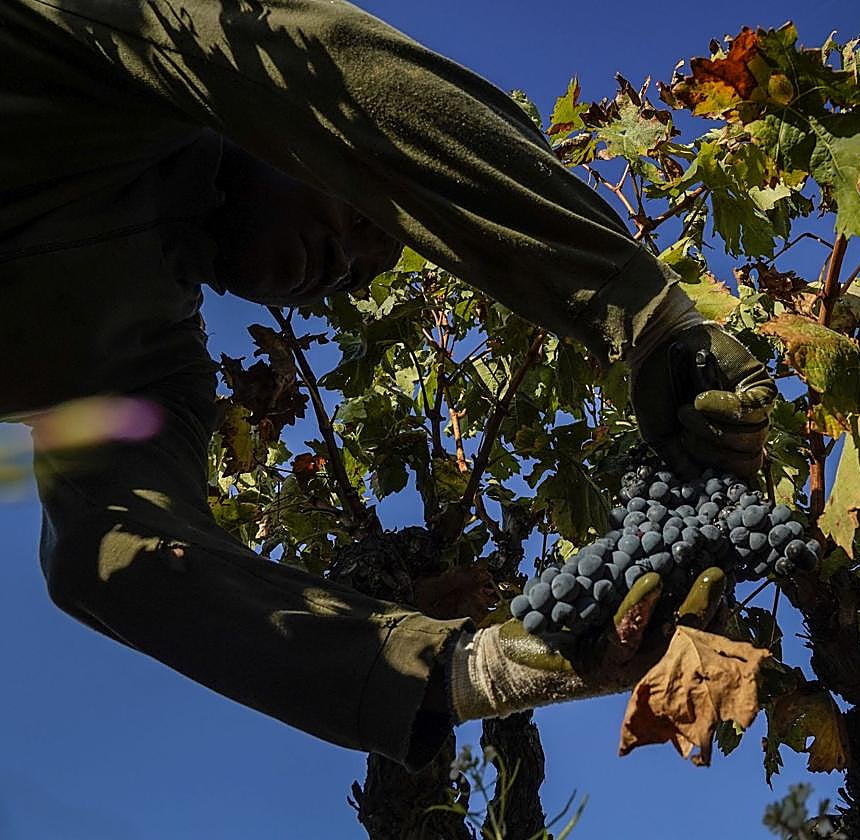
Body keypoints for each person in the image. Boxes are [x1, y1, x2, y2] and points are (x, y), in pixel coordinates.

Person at [0, 0, 776, 770]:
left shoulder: (151, 367)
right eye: (368, 218)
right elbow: (326, 59)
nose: (341, 265)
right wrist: (649, 315)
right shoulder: (116, 50)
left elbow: (107, 551)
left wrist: (474, 669)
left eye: (354, 279)